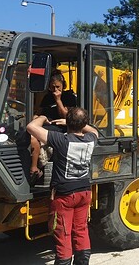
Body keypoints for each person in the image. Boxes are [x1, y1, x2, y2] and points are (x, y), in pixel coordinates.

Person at [27, 107, 97, 265]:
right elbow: (91, 129)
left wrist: (43, 117)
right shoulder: (91, 139)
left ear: (69, 123)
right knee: (81, 230)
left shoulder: (61, 140)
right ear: (83, 123)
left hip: (64, 196)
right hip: (84, 192)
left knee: (63, 232)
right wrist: (71, 122)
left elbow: (31, 127)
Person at [29, 71, 77, 183]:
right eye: (52, 87)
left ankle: (35, 168)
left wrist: (58, 100)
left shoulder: (69, 97)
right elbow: (40, 111)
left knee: (34, 136)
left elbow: (67, 116)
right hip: (46, 123)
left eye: (58, 87)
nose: (55, 90)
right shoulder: (47, 97)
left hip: (60, 126)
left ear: (63, 86)